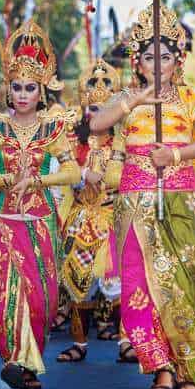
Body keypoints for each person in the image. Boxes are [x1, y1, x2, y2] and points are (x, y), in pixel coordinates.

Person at [89, 4, 195, 389]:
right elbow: (96, 125)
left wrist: (175, 156)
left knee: (180, 288)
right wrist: (133, 102)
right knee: (138, 289)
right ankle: (161, 370)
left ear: (177, 61)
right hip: (134, 203)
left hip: (178, 200)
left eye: (164, 57)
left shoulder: (191, 98)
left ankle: (188, 369)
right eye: (149, 57)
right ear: (137, 61)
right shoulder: (126, 98)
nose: (157, 64)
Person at [0, 20, 80, 389]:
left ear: (41, 91)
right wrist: (4, 179)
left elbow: (72, 171)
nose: (22, 94)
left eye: (29, 88)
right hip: (5, 220)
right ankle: (16, 360)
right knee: (10, 294)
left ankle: (31, 360)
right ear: (9, 89)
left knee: (41, 298)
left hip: (41, 219)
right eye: (16, 87)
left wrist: (37, 180)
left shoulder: (54, 129)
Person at [58, 59, 125, 364]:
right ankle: (79, 343)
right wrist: (84, 175)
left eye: (104, 110)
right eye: (92, 109)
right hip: (81, 218)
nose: (97, 115)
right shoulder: (73, 143)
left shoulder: (123, 143)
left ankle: (128, 340)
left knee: (119, 285)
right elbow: (65, 175)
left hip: (113, 219)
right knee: (78, 284)